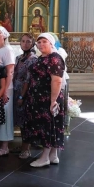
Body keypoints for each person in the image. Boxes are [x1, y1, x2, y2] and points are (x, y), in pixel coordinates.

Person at [25, 33, 65, 167]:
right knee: (51, 125)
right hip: (39, 98)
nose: (41, 44)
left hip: (48, 98)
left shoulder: (54, 58)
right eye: (39, 42)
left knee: (47, 126)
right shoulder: (42, 57)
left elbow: (57, 80)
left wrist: (53, 101)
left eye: (44, 41)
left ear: (51, 43)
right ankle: (53, 155)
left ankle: (44, 158)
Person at [0, 26, 15, 157]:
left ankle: (4, 146)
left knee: (5, 115)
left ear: (4, 35)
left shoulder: (8, 49)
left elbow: (10, 71)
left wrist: (4, 91)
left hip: (6, 88)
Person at [13, 34, 38, 159]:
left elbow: (28, 79)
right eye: (23, 41)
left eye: (28, 41)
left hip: (26, 93)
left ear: (33, 43)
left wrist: (22, 97)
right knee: (20, 120)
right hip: (16, 91)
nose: (25, 44)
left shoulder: (32, 59)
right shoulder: (19, 58)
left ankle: (26, 149)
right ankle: (23, 145)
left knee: (26, 122)